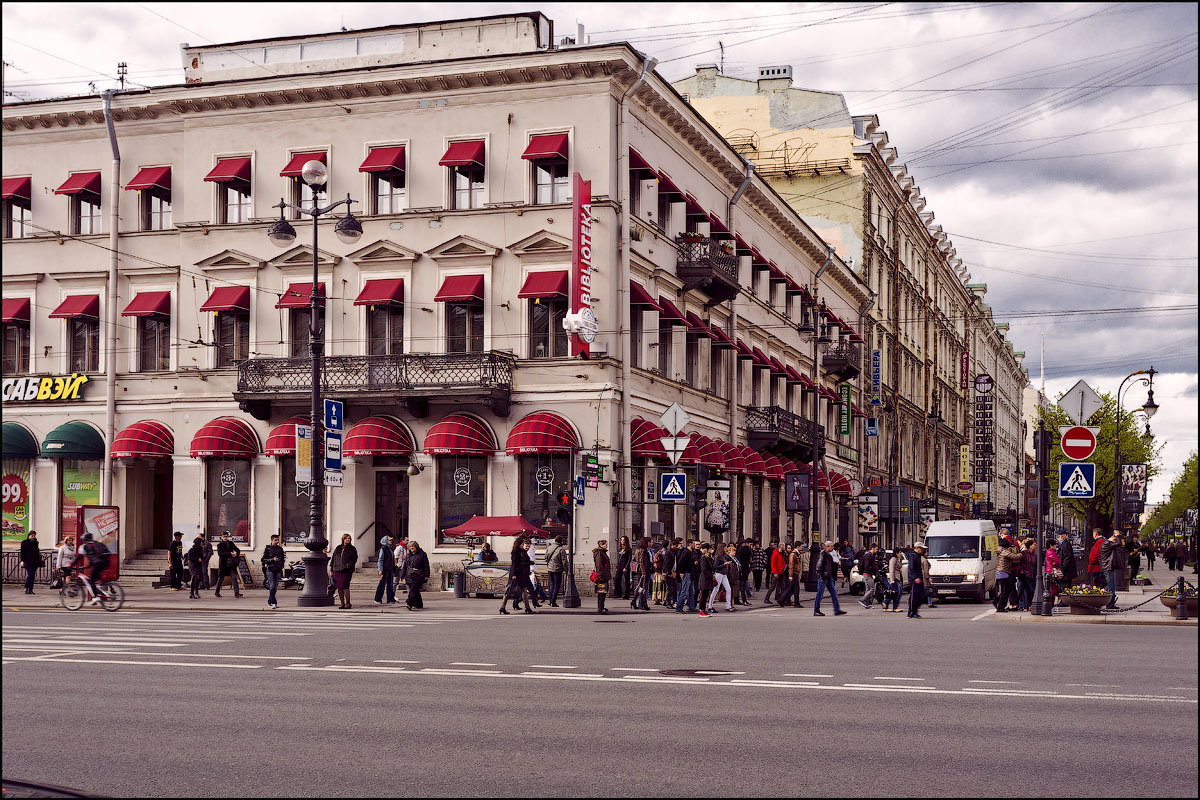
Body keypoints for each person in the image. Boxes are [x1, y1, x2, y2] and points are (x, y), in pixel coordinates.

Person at [501, 537, 536, 615]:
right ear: (519, 544)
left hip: (521, 574)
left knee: (524, 590)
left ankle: (527, 608)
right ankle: (502, 607)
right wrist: (513, 574)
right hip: (516, 574)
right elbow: (514, 564)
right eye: (522, 544)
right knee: (509, 590)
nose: (523, 545)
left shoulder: (522, 551)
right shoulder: (515, 552)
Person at [812, 541, 847, 616]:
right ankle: (816, 610)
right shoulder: (823, 554)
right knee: (820, 594)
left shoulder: (829, 555)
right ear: (827, 547)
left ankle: (837, 610)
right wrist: (821, 575)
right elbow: (818, 566)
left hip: (829, 577)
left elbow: (831, 566)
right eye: (831, 546)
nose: (833, 547)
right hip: (823, 577)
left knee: (834, 593)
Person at [79, 533, 111, 606]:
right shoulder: (98, 543)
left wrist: (71, 564)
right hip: (105, 563)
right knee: (97, 576)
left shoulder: (85, 546)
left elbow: (79, 557)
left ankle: (95, 597)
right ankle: (102, 588)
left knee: (91, 580)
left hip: (97, 564)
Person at [330, 533, 358, 609]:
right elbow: (333, 558)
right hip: (337, 570)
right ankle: (342, 603)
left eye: (349, 538)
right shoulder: (338, 548)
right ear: (343, 539)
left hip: (346, 571)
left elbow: (354, 559)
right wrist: (331, 569)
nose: (347, 539)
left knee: (345, 586)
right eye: (346, 538)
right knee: (339, 587)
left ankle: (348, 603)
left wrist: (348, 566)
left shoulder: (352, 548)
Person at [993, 536, 1021, 612]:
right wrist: (1021, 553)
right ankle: (1000, 607)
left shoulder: (1000, 550)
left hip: (1000, 572)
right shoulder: (1005, 551)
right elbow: (1015, 557)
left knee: (1005, 590)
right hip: (1004, 572)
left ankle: (997, 601)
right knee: (1005, 591)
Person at [1100, 531, 1126, 610]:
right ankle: (1109, 603)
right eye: (1115, 539)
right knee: (1111, 586)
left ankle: (1109, 600)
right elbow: (1119, 544)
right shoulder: (1107, 544)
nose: (1116, 541)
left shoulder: (1108, 544)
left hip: (1109, 567)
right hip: (1108, 567)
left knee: (1111, 585)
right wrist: (1117, 536)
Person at [403, 540, 430, 610]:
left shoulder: (422, 554)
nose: (412, 548)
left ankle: (409, 603)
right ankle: (419, 604)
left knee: (413, 590)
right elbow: (405, 565)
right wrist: (402, 575)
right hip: (409, 575)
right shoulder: (408, 555)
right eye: (410, 546)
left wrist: (427, 575)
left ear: (416, 547)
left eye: (413, 546)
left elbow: (426, 565)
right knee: (416, 591)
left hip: (419, 575)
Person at [215, 531, 243, 598]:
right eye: (224, 536)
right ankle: (217, 591)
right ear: (221, 537)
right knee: (221, 578)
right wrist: (229, 553)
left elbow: (238, 550)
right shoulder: (219, 545)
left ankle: (237, 593)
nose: (225, 538)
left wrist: (236, 554)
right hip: (223, 564)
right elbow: (220, 554)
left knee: (234, 578)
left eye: (226, 536)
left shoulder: (231, 543)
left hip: (231, 564)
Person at [262, 534, 286, 609]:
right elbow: (263, 559)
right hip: (270, 569)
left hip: (278, 569)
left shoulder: (280, 549)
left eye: (278, 540)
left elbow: (282, 559)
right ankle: (273, 602)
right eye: (275, 540)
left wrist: (282, 566)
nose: (277, 541)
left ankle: (269, 601)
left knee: (275, 587)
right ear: (271, 540)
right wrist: (272, 560)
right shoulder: (268, 549)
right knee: (272, 586)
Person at [673, 539, 698, 613]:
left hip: (691, 573)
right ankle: (679, 607)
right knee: (684, 591)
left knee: (691, 591)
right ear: (690, 544)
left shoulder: (691, 552)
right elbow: (681, 562)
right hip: (687, 573)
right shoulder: (686, 552)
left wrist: (694, 562)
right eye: (693, 543)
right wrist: (681, 572)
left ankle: (691, 607)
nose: (694, 545)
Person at [545, 535, 568, 607]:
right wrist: (566, 570)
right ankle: (553, 601)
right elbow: (564, 561)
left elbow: (546, 558)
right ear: (561, 541)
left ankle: (550, 600)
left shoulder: (549, 548)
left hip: (550, 569)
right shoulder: (561, 550)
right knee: (557, 585)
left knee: (551, 585)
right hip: (557, 570)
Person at [908, 541, 930, 619]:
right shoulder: (913, 556)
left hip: (919, 579)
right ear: (917, 548)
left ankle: (914, 611)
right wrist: (915, 578)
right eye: (921, 549)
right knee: (914, 597)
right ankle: (911, 612)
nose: (923, 550)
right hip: (914, 580)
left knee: (922, 596)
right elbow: (911, 569)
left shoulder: (918, 556)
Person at [374, 535, 396, 605]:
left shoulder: (390, 549)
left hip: (390, 569)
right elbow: (380, 560)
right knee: (382, 585)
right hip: (385, 569)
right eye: (389, 540)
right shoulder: (383, 549)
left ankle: (390, 599)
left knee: (390, 585)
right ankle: (377, 599)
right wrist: (380, 570)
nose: (391, 541)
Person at [1017, 538, 1037, 612]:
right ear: (1030, 546)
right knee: (1024, 591)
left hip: (1031, 575)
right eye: (1034, 545)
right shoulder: (1024, 553)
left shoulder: (1034, 555)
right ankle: (1025, 606)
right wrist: (1021, 571)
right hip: (1024, 575)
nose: (1035, 546)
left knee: (1030, 590)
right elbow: (1019, 562)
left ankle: (1028, 605)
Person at [592, 539, 611, 614]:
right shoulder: (599, 553)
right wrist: (600, 576)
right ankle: (600, 608)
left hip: (604, 575)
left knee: (603, 592)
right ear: (601, 545)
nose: (606, 546)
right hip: (602, 576)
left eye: (606, 544)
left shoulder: (602, 552)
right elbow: (599, 565)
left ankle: (601, 606)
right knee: (601, 592)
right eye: (605, 544)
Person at [697, 543, 717, 617]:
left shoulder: (708, 558)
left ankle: (704, 610)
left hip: (708, 578)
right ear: (707, 550)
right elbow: (704, 569)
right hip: (705, 578)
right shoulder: (703, 558)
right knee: (703, 595)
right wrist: (710, 575)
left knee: (706, 595)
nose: (711, 550)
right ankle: (701, 610)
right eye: (710, 549)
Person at [632, 537, 652, 611]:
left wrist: (634, 570)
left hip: (639, 570)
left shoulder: (638, 550)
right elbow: (641, 562)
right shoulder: (643, 551)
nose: (651, 543)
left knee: (640, 587)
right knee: (644, 587)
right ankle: (644, 602)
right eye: (650, 542)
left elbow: (634, 560)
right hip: (644, 571)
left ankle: (634, 601)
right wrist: (644, 572)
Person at [859, 543, 880, 610]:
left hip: (866, 573)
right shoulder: (869, 555)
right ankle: (862, 600)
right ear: (873, 548)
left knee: (868, 589)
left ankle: (867, 604)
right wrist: (872, 572)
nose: (877, 551)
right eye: (876, 549)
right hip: (867, 573)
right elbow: (867, 566)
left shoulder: (867, 555)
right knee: (872, 589)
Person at [19, 530, 41, 595]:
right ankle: (26, 587)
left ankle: (30, 589)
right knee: (30, 575)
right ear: (29, 536)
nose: (33, 537)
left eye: (34, 536)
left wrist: (40, 557)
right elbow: (22, 552)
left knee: (32, 576)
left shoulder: (36, 542)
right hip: (27, 561)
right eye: (32, 535)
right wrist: (22, 560)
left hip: (35, 561)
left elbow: (37, 551)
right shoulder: (24, 542)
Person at [1044, 539, 1063, 607]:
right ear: (1051, 545)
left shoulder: (1048, 551)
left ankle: (1051, 604)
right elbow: (1058, 561)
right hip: (1051, 572)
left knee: (1054, 589)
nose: (1056, 546)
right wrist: (1056, 563)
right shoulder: (1051, 552)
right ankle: (1050, 604)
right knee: (1055, 590)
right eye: (1055, 545)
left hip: (1049, 572)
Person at [886, 548, 905, 612]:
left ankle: (886, 603)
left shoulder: (897, 559)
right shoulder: (893, 559)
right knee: (898, 592)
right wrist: (892, 579)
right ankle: (894, 607)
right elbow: (891, 569)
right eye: (900, 552)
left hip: (897, 577)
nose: (901, 554)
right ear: (896, 553)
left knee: (893, 592)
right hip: (894, 578)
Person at [614, 535, 633, 600]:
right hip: (620, 566)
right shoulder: (620, 548)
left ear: (626, 541)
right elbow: (619, 558)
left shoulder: (628, 549)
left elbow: (629, 559)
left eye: (623, 540)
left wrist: (626, 567)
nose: (622, 541)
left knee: (627, 581)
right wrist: (617, 566)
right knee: (616, 579)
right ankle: (618, 593)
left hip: (625, 566)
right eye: (621, 540)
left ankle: (627, 595)